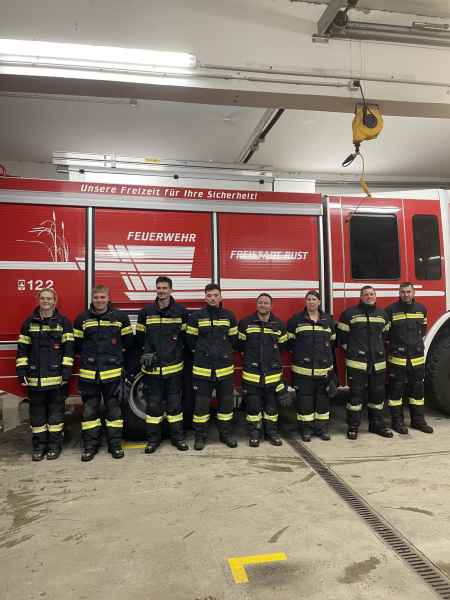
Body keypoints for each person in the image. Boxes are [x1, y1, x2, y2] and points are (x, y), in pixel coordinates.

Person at [74, 285, 133, 461]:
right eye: (96, 297)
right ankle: (90, 446)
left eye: (102, 297)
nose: (99, 300)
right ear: (92, 299)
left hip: (112, 374)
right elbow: (77, 344)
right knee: (89, 412)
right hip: (89, 375)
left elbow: (128, 341)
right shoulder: (82, 319)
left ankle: (115, 445)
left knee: (114, 411)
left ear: (108, 298)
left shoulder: (120, 317)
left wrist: (115, 355)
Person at [16, 288, 74, 461]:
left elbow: (68, 351)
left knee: (56, 417)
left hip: (56, 380)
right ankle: (39, 447)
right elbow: (22, 350)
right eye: (43, 298)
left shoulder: (63, 322)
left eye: (49, 298)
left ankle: (54, 447)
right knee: (37, 417)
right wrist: (21, 371)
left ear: (55, 301)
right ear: (38, 300)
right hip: (35, 380)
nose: (46, 301)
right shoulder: (28, 323)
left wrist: (66, 373)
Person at [135, 276, 189, 453]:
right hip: (152, 370)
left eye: (165, 288)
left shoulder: (181, 312)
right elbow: (140, 337)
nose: (161, 291)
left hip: (174, 368)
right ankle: (153, 440)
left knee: (175, 406)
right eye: (159, 288)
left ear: (171, 290)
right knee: (153, 406)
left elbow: (185, 338)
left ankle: (178, 438)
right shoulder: (146, 312)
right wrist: (147, 352)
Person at [186, 283, 238, 450]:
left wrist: (223, 353)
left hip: (224, 369)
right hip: (203, 369)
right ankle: (200, 437)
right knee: (201, 406)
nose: (213, 298)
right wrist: (203, 353)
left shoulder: (229, 316)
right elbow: (190, 341)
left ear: (221, 297)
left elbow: (233, 340)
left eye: (216, 295)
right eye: (209, 295)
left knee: (226, 405)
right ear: (205, 298)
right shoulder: (196, 317)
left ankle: (226, 435)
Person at [337, 285, 393, 440]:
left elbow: (385, 335)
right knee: (355, 396)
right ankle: (353, 426)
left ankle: (376, 425)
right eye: (366, 294)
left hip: (378, 363)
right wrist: (353, 351)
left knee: (378, 395)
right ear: (361, 297)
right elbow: (342, 337)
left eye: (371, 294)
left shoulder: (383, 315)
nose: (369, 296)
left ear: (375, 296)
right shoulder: (349, 314)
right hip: (357, 363)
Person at [238, 293, 287, 447]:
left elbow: (282, 347)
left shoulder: (279, 325)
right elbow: (240, 346)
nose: (263, 305)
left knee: (271, 408)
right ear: (256, 304)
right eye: (260, 302)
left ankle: (271, 432)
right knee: (253, 408)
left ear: (271, 306)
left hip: (272, 376)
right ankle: (254, 433)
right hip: (252, 375)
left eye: (266, 303)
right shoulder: (245, 323)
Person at [287, 290, 336, 442]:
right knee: (305, 402)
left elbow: (332, 342)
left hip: (324, 371)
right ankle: (306, 430)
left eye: (314, 299)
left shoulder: (328, 320)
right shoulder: (296, 320)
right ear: (305, 302)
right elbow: (290, 343)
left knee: (323, 402)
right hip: (303, 371)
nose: (311, 302)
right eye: (308, 299)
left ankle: (322, 429)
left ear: (319, 302)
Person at [386, 282, 433, 434]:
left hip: (416, 358)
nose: (405, 295)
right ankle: (397, 422)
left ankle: (418, 421)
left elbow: (423, 330)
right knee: (396, 391)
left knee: (417, 391)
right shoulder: (391, 310)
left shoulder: (421, 309)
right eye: (403, 292)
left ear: (413, 293)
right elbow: (386, 333)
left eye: (408, 292)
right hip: (397, 358)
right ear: (399, 293)